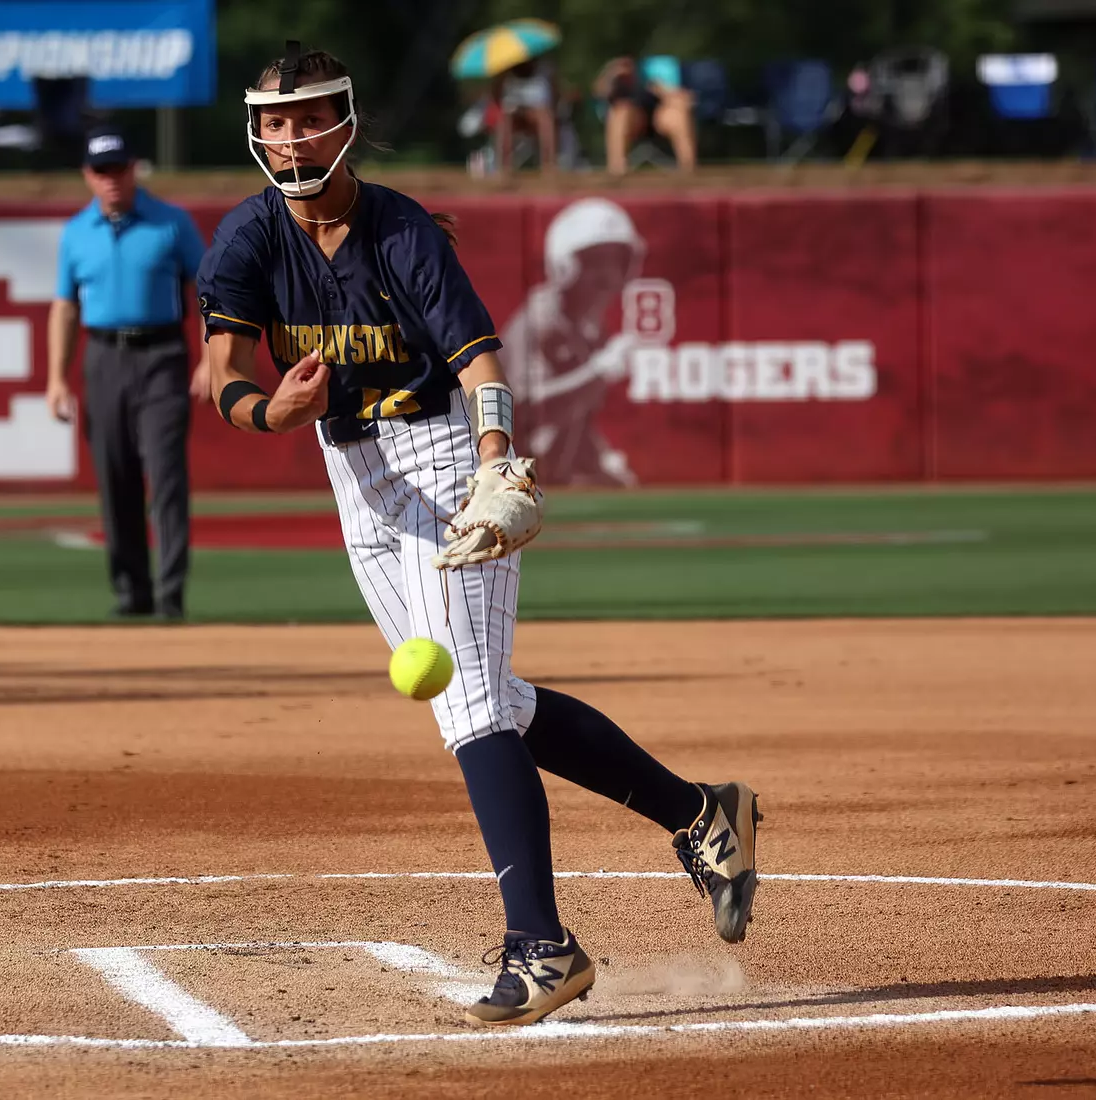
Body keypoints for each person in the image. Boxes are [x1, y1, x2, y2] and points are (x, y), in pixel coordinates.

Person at [196, 42, 763, 1028]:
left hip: (441, 452)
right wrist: (271, 416)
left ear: (347, 121)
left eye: (309, 116)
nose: (290, 137)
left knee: (468, 701)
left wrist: (496, 460)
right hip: (354, 473)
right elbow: (222, 375)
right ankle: (699, 812)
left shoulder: (401, 231)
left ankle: (544, 943)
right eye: (275, 121)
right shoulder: (249, 236)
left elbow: (478, 356)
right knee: (488, 696)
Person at [47, 127, 208, 621]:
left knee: (165, 476)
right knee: (114, 476)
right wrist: (57, 377)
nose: (112, 179)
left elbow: (209, 295)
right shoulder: (76, 232)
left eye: (119, 168)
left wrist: (211, 359)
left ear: (134, 168)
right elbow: (65, 306)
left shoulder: (171, 223)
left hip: (161, 354)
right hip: (103, 357)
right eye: (102, 170)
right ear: (87, 176)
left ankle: (170, 594)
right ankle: (130, 591)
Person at [500, 197, 646, 487]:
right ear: (564, 264)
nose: (608, 274)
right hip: (503, 472)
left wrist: (600, 459)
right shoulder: (541, 320)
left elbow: (574, 418)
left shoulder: (586, 327)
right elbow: (521, 407)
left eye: (615, 261)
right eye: (594, 262)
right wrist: (598, 372)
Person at [594, 56, 697, 175]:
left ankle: (688, 169)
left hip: (661, 116)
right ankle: (617, 171)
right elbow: (600, 97)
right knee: (620, 114)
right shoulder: (613, 81)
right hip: (634, 121)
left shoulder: (656, 72)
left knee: (678, 112)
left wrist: (662, 91)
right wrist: (612, 75)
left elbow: (685, 98)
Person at [490, 58, 558, 175]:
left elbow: (554, 98)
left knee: (545, 118)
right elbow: (497, 99)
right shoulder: (507, 74)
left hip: (538, 116)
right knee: (505, 120)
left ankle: (548, 165)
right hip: (515, 116)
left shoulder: (544, 71)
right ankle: (504, 168)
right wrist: (500, 79)